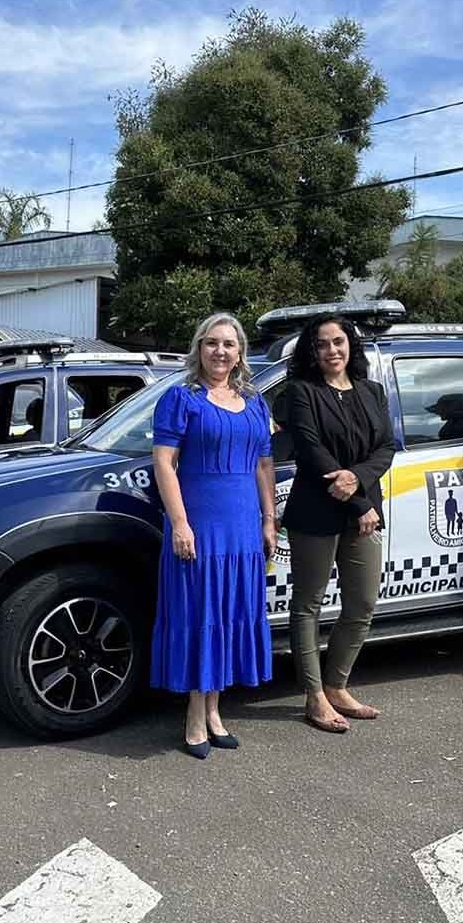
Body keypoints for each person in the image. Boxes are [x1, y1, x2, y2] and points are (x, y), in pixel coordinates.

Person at [151, 314, 277, 759]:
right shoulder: (180, 398)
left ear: (240, 351)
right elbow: (165, 463)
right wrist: (180, 523)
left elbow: (264, 466)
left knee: (229, 616)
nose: (220, 352)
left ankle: (216, 713)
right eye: (211, 343)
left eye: (229, 344)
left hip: (242, 528)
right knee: (200, 615)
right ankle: (193, 716)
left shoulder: (255, 401)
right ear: (199, 348)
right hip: (199, 527)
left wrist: (268, 519)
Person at [282, 314, 396, 733]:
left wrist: (359, 483)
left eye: (338, 341)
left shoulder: (372, 391)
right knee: (308, 604)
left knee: (363, 602)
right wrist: (360, 502)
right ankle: (313, 697)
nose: (331, 350)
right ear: (312, 352)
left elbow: (387, 447)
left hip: (362, 511)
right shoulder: (302, 393)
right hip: (316, 510)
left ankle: (337, 686)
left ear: (351, 345)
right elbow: (312, 453)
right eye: (322, 344)